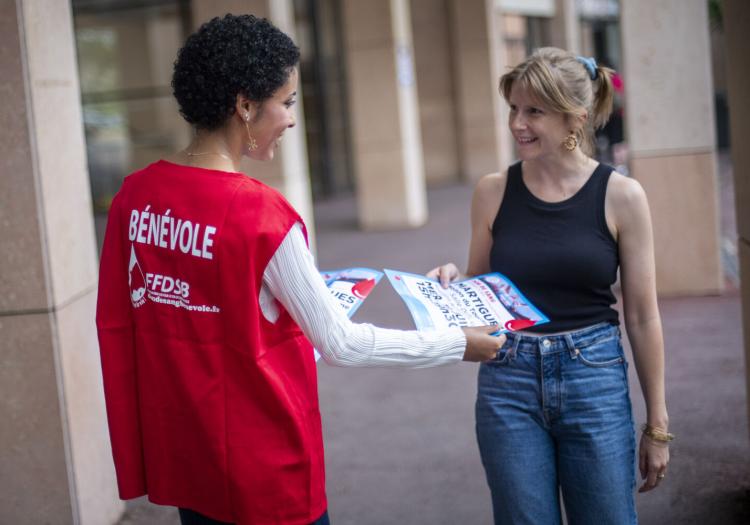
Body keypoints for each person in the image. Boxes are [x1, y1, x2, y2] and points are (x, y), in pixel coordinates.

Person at [95, 14, 504, 525]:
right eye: (286, 102)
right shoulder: (261, 213)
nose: (291, 118)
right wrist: (460, 344)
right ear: (244, 106)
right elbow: (343, 344)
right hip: (263, 465)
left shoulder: (135, 197)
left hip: (187, 451)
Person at [428, 48, 671, 524]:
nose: (518, 123)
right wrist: (454, 282)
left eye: (534, 111)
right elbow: (483, 290)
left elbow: (643, 316)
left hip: (593, 377)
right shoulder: (493, 190)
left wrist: (657, 425)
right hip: (508, 381)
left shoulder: (622, 196)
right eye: (514, 109)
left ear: (575, 117)